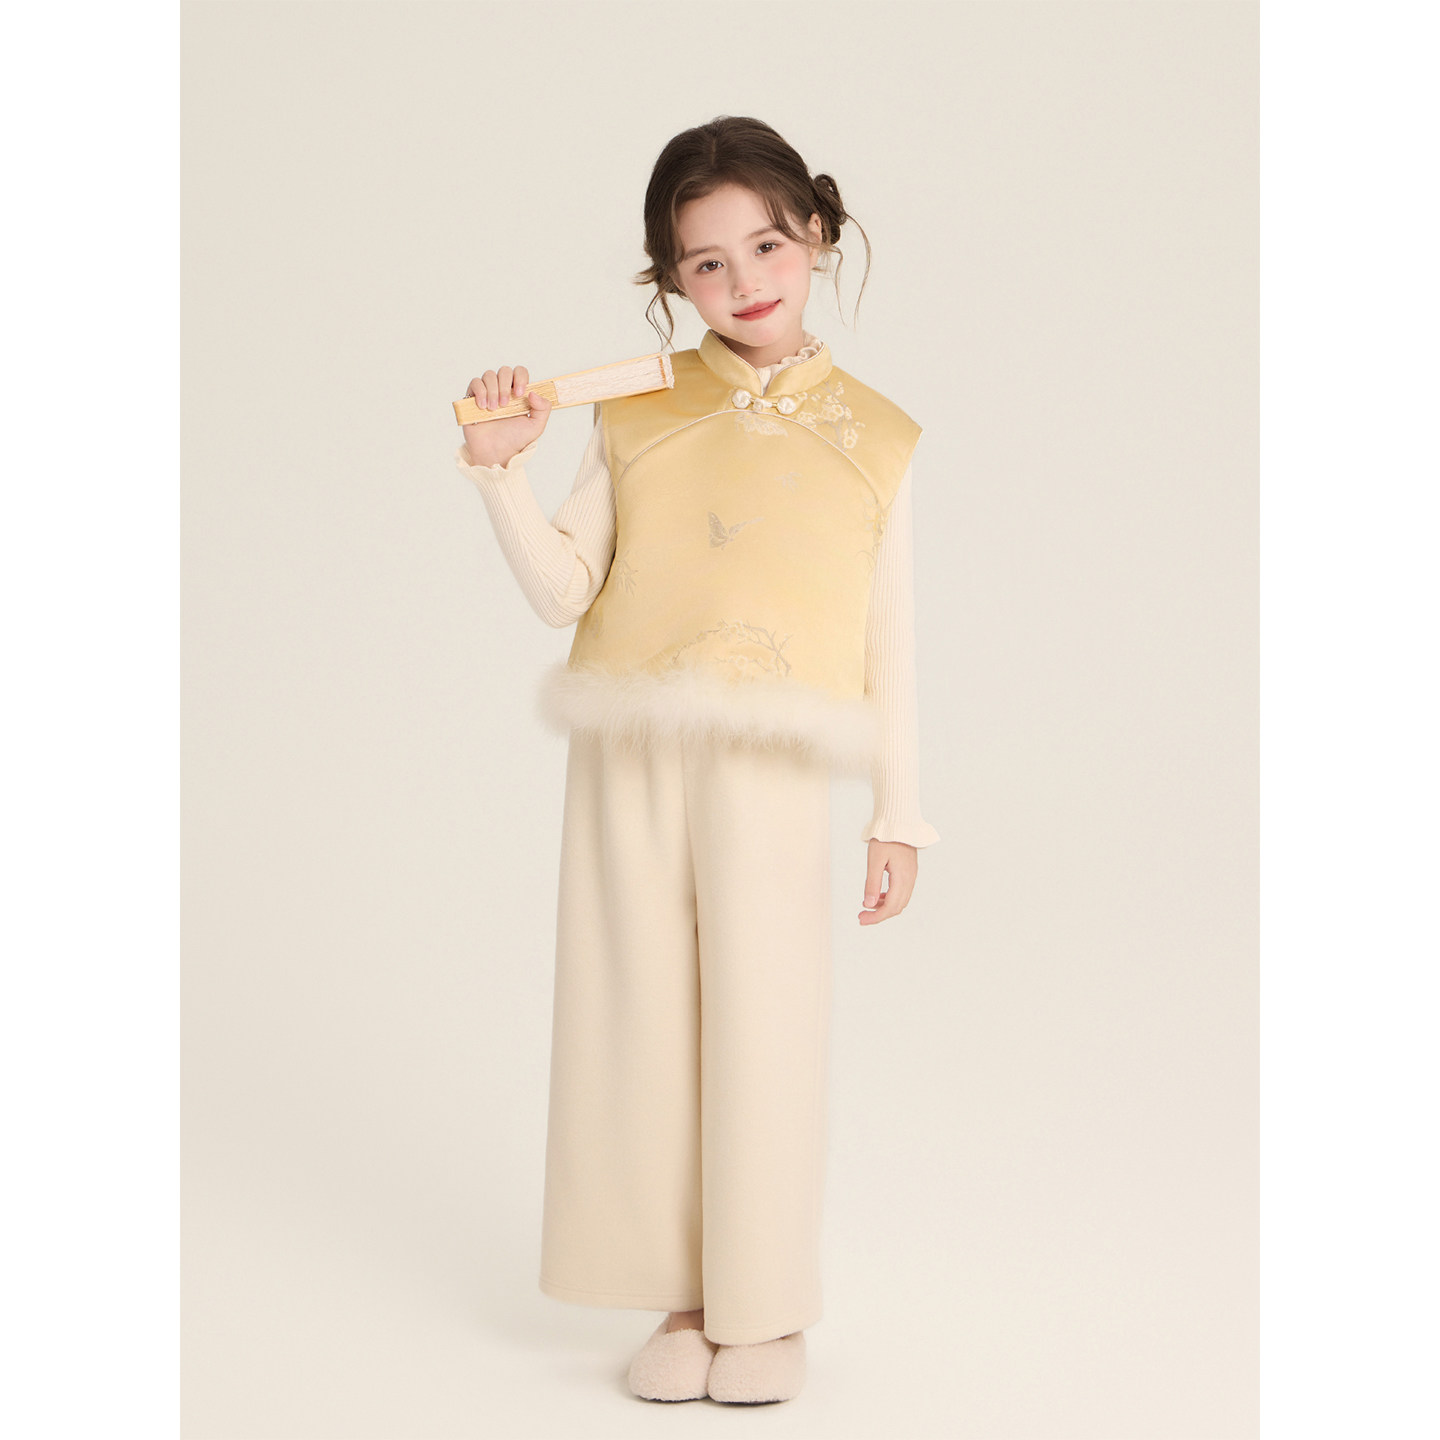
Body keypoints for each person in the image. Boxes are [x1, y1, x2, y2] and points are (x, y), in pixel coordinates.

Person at [452, 115, 940, 1405]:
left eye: (766, 245)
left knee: (767, 1025)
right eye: (705, 263)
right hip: (629, 755)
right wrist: (500, 476)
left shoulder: (879, 437)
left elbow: (889, 637)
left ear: (816, 234)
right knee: (639, 1021)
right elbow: (563, 593)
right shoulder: (636, 407)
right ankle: (681, 1300)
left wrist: (898, 814)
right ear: (672, 279)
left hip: (772, 764)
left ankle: (763, 1305)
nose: (743, 281)